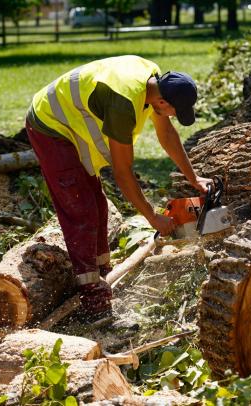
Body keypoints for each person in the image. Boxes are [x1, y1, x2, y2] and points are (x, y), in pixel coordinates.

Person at [25, 55, 210, 316]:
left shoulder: (155, 80)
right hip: (49, 124)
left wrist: (194, 177)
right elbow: (123, 174)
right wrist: (152, 217)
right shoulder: (124, 104)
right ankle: (91, 297)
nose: (172, 116)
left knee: (98, 205)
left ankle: (101, 273)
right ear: (162, 101)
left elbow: (166, 133)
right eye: (173, 111)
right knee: (81, 207)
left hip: (71, 123)